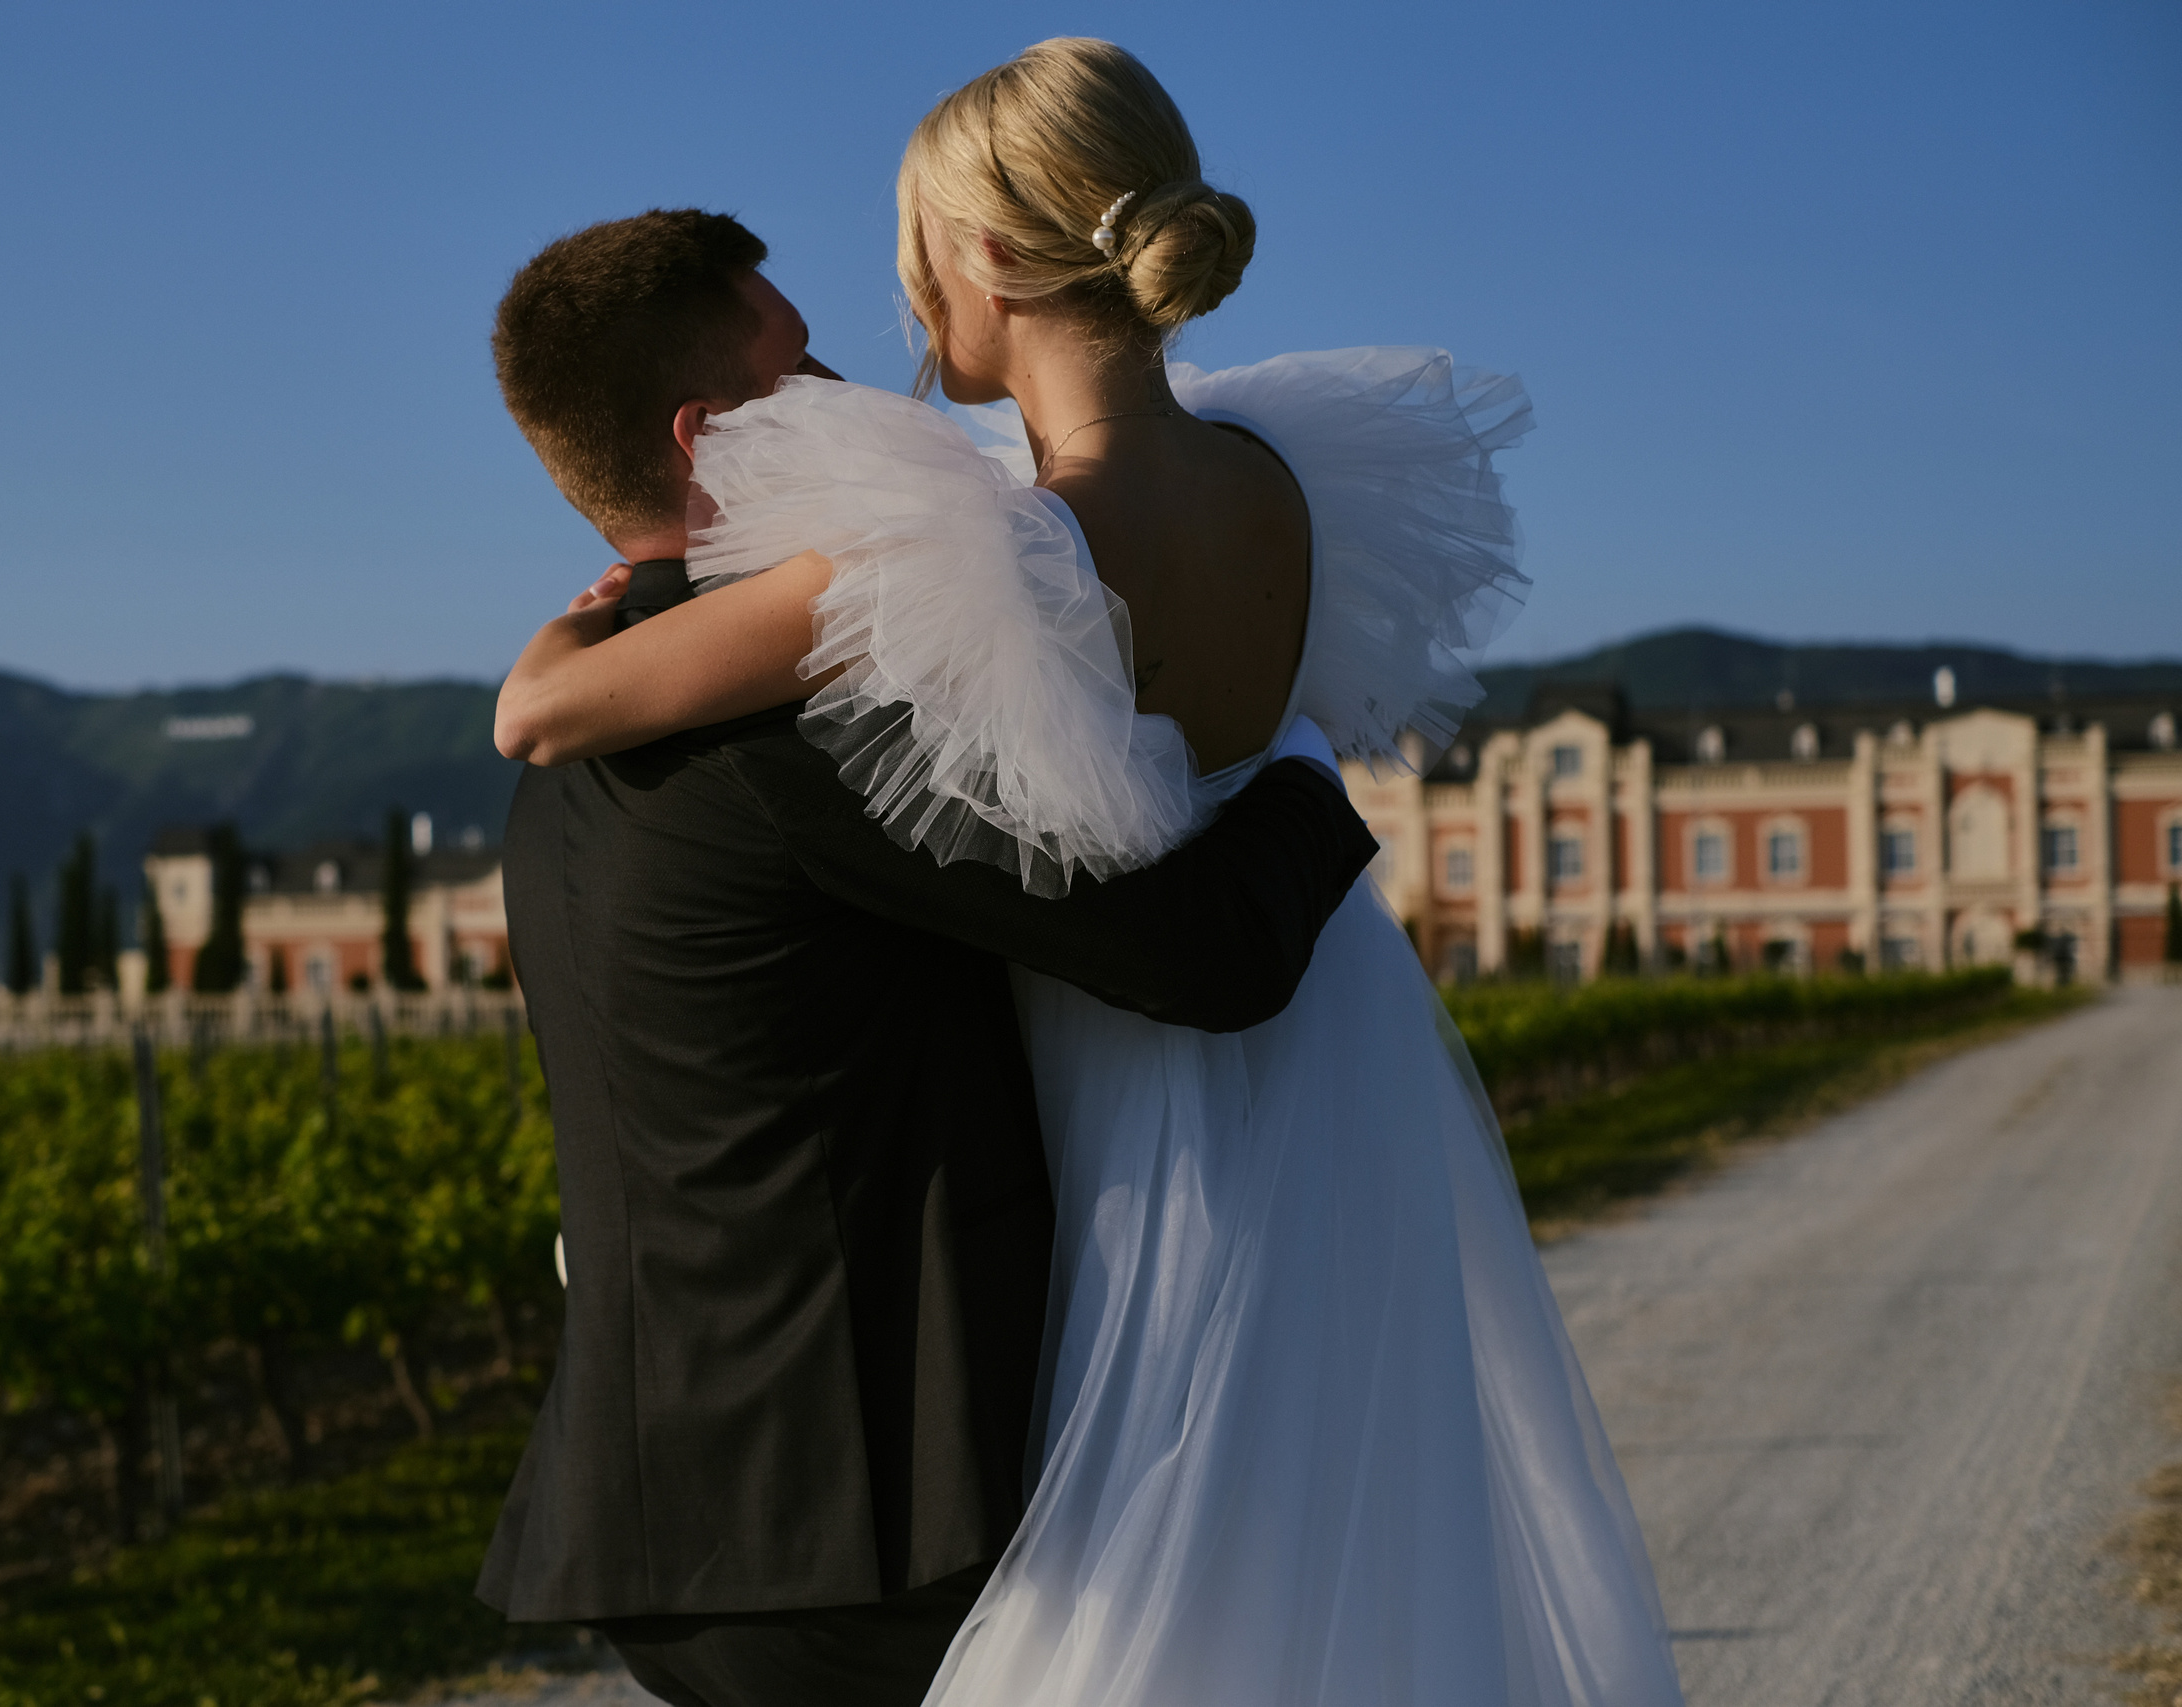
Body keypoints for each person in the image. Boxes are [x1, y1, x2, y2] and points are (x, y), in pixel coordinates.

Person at [497, 41, 1689, 1707]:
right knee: (1321, 1544)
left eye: (910, 264)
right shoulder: (1288, 478)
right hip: (1328, 1061)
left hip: (1132, 1092)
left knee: (1161, 1572)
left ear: (984, 257)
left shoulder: (980, 551)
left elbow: (577, 704)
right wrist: (1298, 781)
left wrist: (546, 675)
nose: (889, 335)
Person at [476, 206, 1384, 1707]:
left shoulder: (579, 735)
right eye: (807, 364)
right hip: (853, 1524)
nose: (856, 390)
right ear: (712, 440)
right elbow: (1205, 959)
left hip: (681, 1508)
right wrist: (1300, 764)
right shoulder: (801, 733)